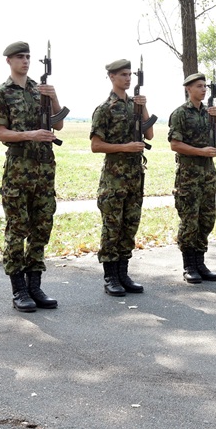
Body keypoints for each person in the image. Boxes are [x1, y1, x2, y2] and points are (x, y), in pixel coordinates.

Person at [0, 41, 66, 312]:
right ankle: (18, 289)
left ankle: (35, 285)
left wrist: (53, 97)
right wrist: (31, 134)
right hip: (18, 170)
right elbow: (2, 134)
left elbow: (58, 123)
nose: (25, 61)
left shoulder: (39, 90)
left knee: (41, 228)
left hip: (44, 170)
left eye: (28, 57)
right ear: (8, 60)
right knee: (17, 229)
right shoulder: (1, 93)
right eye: (20, 57)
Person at [90, 59, 152, 296]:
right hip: (114, 178)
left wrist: (143, 107)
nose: (128, 78)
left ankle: (123, 274)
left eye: (130, 75)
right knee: (112, 227)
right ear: (111, 77)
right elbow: (96, 145)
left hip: (135, 176)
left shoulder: (134, 106)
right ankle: (110, 277)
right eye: (123, 75)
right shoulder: (105, 108)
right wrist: (126, 147)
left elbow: (149, 133)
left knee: (129, 226)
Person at [168, 73, 216, 283]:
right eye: (199, 86)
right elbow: (175, 144)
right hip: (189, 175)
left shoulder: (208, 112)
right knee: (190, 220)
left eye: (205, 87)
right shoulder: (181, 113)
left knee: (207, 218)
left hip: (208, 175)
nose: (203, 90)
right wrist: (201, 152)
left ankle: (200, 262)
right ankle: (189, 265)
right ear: (188, 89)